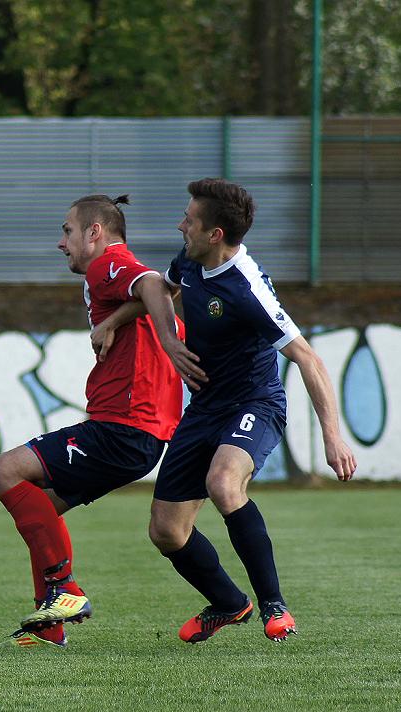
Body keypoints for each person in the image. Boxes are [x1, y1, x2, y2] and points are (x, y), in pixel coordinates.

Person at [95, 178, 357, 643]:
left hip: (254, 402)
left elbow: (307, 357)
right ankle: (229, 604)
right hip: (205, 408)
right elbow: (161, 290)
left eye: (189, 221)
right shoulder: (191, 260)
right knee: (167, 532)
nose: (181, 225)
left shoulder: (246, 288)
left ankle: (275, 606)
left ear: (215, 234)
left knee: (222, 481)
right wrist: (123, 324)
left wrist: (332, 437)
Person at [0, 194, 202, 649]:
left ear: (95, 232)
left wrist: (167, 339)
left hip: (122, 427)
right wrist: (117, 324)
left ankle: (64, 592)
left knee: (7, 470)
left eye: (67, 231)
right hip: (142, 435)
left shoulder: (107, 264)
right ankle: (49, 626)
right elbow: (162, 290)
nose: (60, 243)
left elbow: (152, 284)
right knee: (41, 510)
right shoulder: (113, 274)